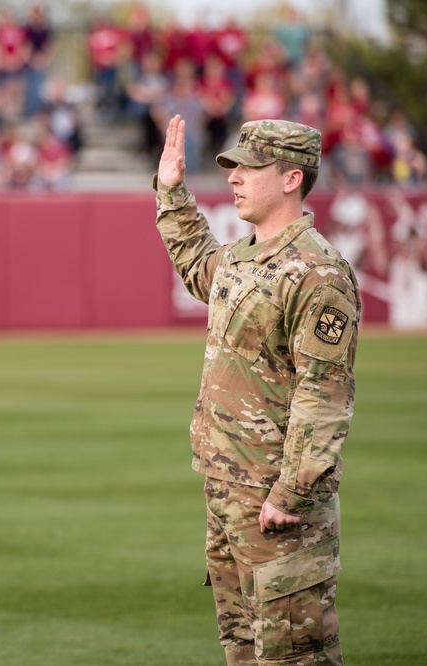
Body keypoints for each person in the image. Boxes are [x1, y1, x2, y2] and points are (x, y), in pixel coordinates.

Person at [155, 114, 359, 666]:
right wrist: (171, 190)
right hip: (227, 490)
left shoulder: (319, 272)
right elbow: (198, 262)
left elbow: (324, 396)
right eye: (232, 167)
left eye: (248, 166)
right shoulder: (243, 258)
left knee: (296, 656)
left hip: (277, 502)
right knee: (243, 651)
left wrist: (291, 493)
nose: (234, 178)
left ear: (291, 178)